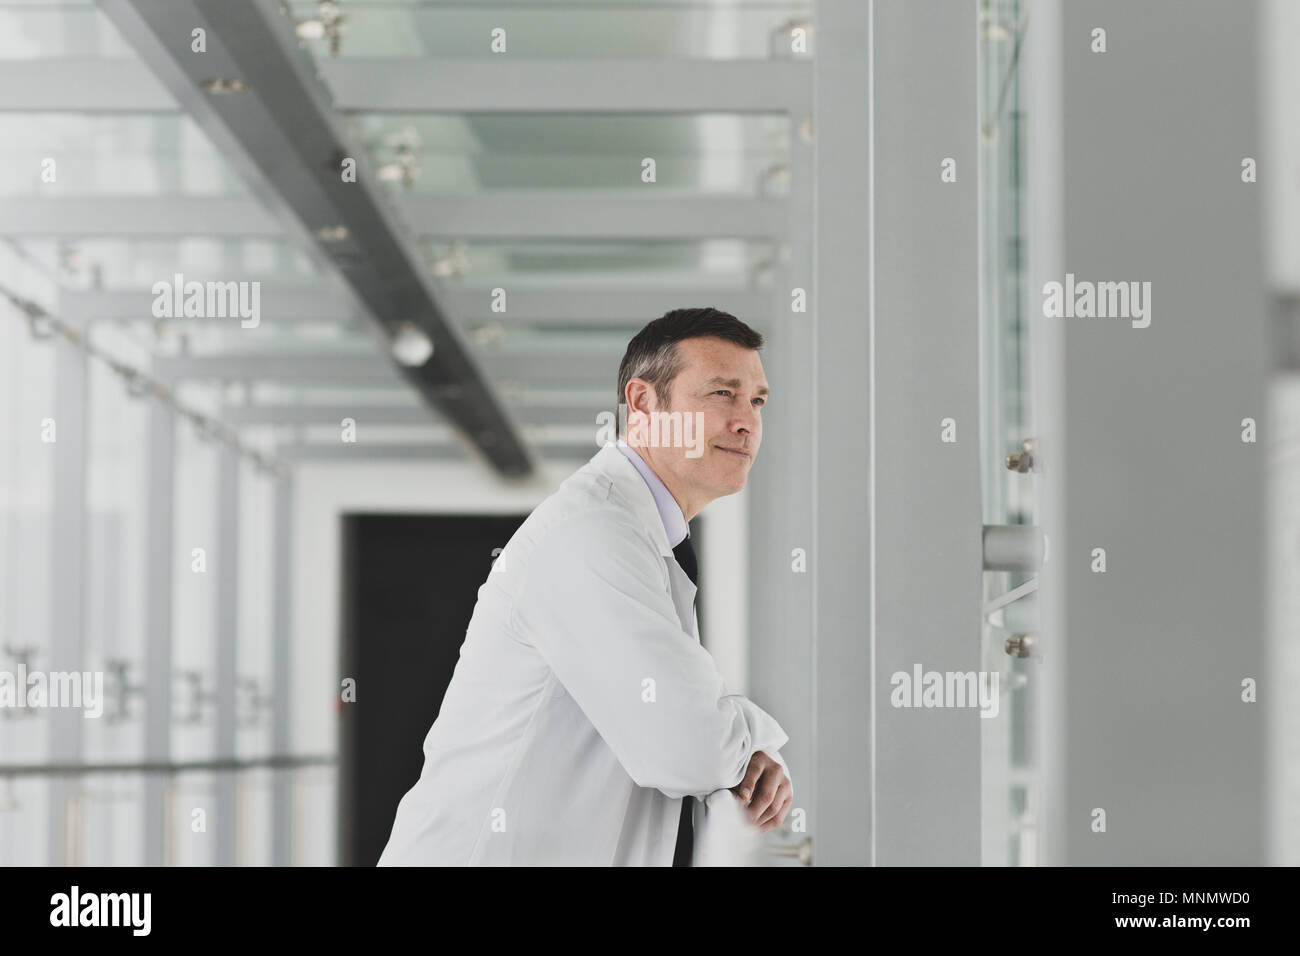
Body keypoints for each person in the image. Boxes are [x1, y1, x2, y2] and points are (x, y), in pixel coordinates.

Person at [377, 307, 793, 866]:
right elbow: (688, 746)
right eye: (722, 394)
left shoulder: (643, 536)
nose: (746, 421)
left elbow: (691, 731)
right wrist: (755, 734)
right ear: (643, 404)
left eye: (758, 401)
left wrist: (731, 736)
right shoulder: (593, 531)